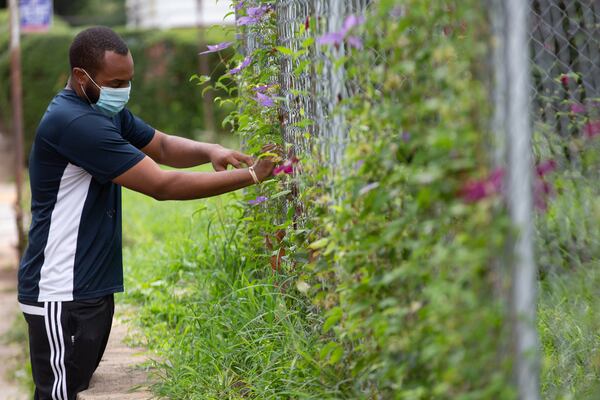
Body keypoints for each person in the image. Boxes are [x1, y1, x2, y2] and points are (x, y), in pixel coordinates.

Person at [17, 26, 277, 400]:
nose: (123, 90)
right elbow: (161, 185)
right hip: (59, 292)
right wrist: (251, 176)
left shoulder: (104, 111)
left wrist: (210, 151)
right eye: (116, 81)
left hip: (89, 287)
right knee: (59, 395)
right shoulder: (74, 123)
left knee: (77, 390)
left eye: (129, 80)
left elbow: (164, 147)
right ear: (81, 76)